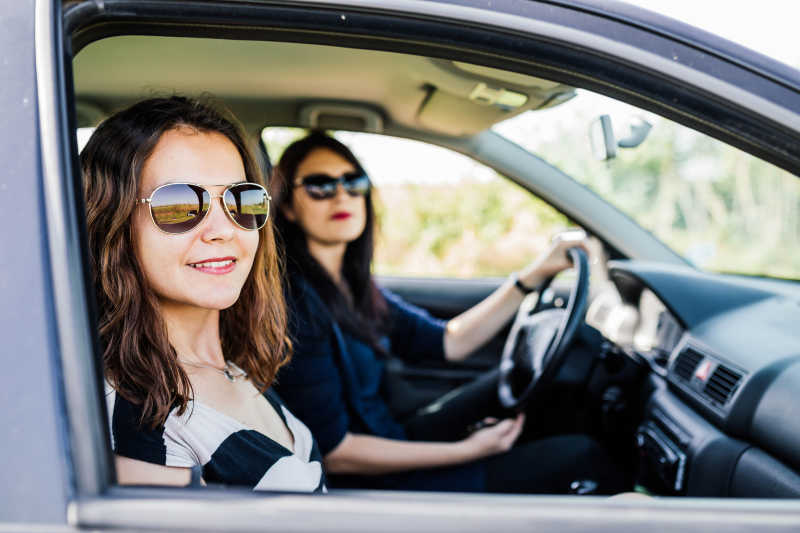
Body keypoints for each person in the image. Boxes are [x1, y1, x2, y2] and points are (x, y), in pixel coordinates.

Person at [270, 132, 625, 494]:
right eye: (319, 185)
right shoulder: (296, 303)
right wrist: (466, 451)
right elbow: (336, 453)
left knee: (525, 385)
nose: (342, 194)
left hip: (390, 436)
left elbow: (446, 342)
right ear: (287, 206)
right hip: (369, 483)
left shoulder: (351, 286)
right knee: (580, 456)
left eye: (353, 181)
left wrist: (531, 277)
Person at [82, 97, 325, 492]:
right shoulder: (136, 419)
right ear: (115, 221)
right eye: (179, 204)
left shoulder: (233, 367)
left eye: (240, 200)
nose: (223, 229)